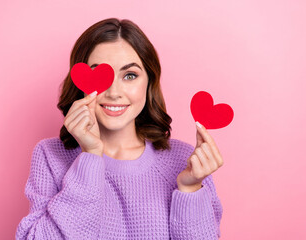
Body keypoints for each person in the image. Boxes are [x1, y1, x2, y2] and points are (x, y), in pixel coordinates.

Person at [15, 18, 224, 240]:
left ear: (149, 82)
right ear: (81, 82)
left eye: (130, 75)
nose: (114, 92)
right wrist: (90, 157)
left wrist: (190, 189)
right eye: (101, 76)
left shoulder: (186, 161)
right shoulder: (50, 156)